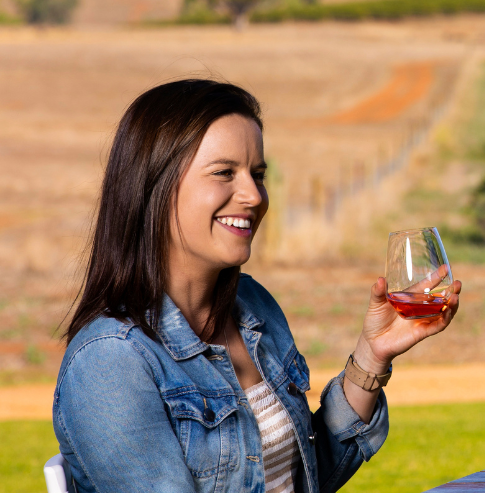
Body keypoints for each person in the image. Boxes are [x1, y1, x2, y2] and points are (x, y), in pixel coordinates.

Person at [52, 79, 463, 492]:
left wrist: (372, 357)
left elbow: (307, 477)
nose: (253, 195)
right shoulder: (110, 361)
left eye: (258, 173)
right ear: (153, 186)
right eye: (224, 173)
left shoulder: (253, 307)